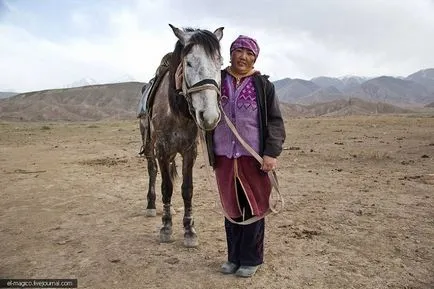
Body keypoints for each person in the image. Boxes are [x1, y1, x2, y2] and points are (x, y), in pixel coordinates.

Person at [176, 35, 286, 278]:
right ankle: (233, 257)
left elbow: (276, 122)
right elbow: (195, 102)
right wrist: (180, 85)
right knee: (232, 209)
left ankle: (251, 259)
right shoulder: (217, 79)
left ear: (255, 58)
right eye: (239, 51)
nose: (243, 57)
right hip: (224, 156)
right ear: (231, 53)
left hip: (253, 157)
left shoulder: (264, 86)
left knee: (254, 209)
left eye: (249, 53)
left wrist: (271, 153)